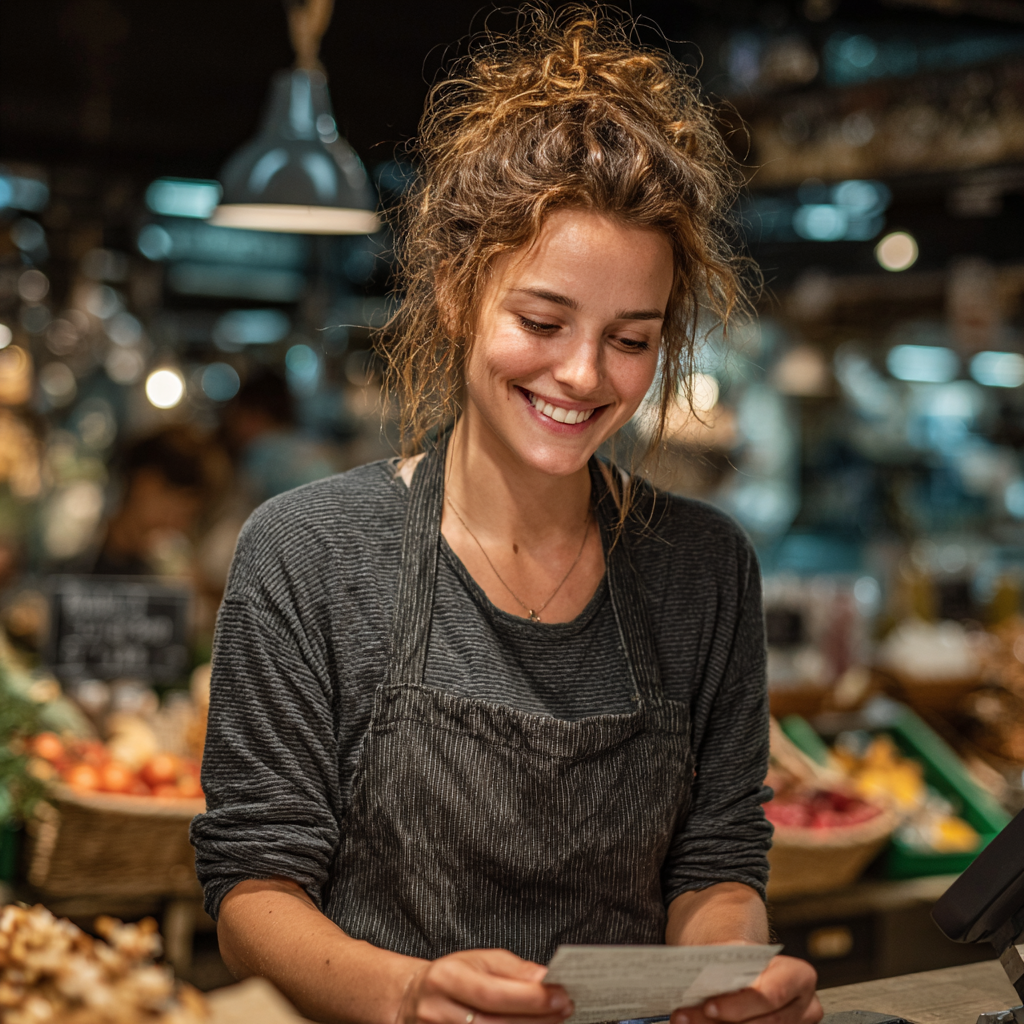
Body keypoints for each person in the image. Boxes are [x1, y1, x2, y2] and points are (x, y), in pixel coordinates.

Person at [191, 9, 822, 1024]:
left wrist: (724, 980)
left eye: (630, 338)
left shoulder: (705, 568)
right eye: (541, 321)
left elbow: (714, 866)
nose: (581, 374)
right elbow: (252, 888)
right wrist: (407, 992)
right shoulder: (307, 554)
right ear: (454, 293)